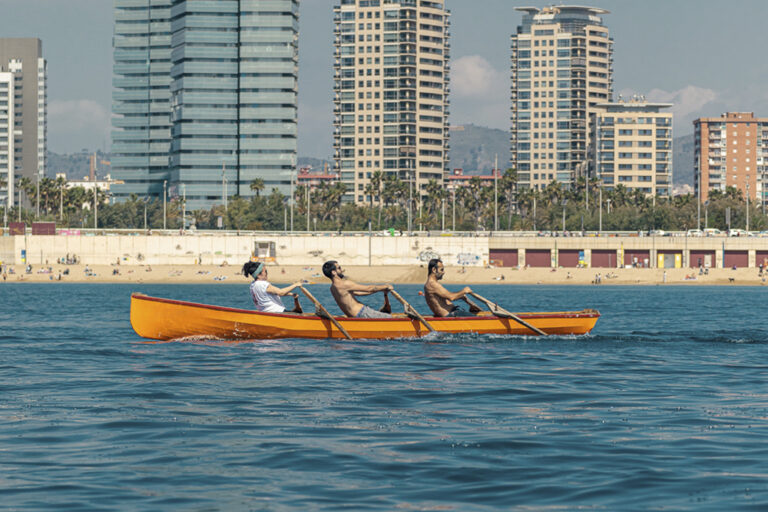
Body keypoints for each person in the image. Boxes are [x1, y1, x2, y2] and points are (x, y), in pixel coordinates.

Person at [321, 260, 393, 318]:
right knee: (389, 318)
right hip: (363, 313)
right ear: (333, 272)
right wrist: (386, 286)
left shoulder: (333, 288)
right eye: (339, 268)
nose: (341, 270)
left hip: (354, 316)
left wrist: (380, 290)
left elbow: (359, 293)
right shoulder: (345, 284)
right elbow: (369, 288)